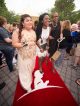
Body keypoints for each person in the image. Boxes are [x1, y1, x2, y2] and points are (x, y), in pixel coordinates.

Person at [12, 14, 36, 92]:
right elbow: (14, 44)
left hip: (32, 54)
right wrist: (27, 44)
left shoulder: (33, 30)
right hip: (24, 56)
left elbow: (34, 42)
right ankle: (27, 86)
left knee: (30, 69)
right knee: (24, 71)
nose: (30, 22)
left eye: (30, 20)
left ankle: (28, 78)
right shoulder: (17, 31)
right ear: (22, 23)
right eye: (27, 20)